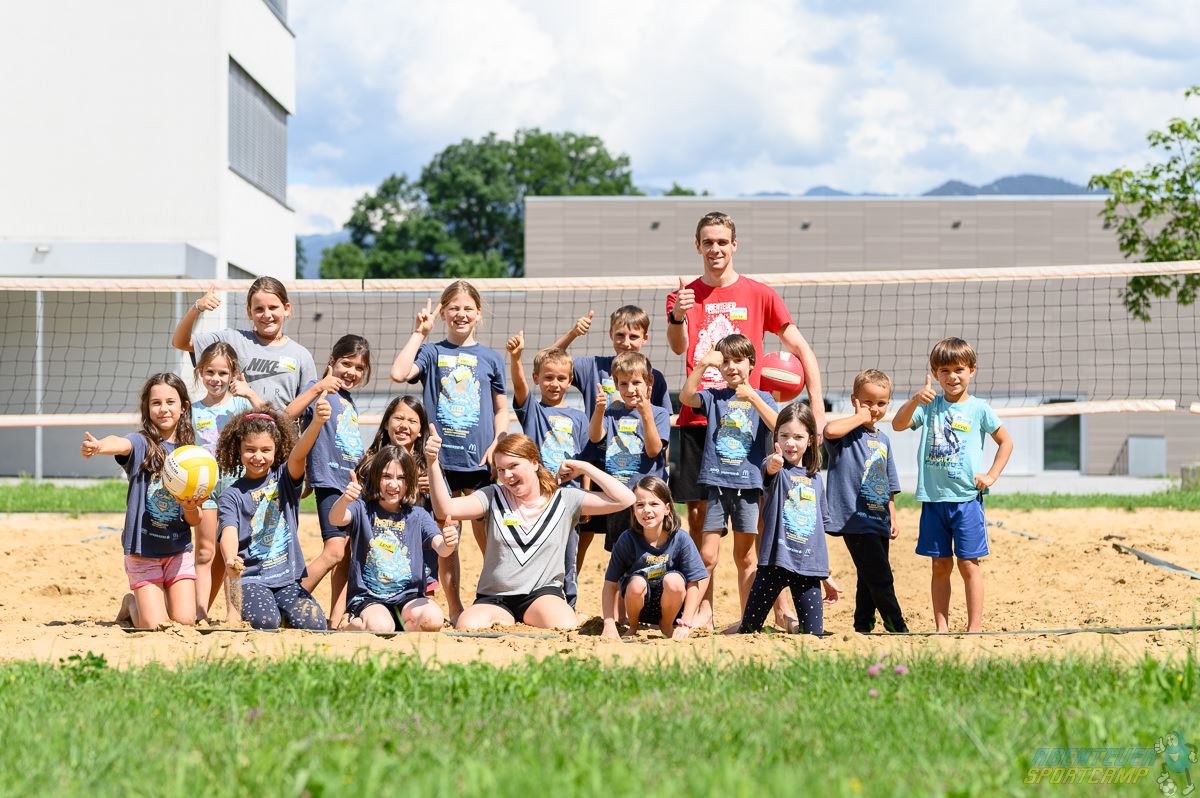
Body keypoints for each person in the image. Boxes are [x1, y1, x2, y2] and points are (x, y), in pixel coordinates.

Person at [665, 211, 826, 628]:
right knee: (701, 525)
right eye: (707, 242)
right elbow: (678, 346)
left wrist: (816, 409)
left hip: (748, 422)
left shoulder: (760, 294)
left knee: (762, 524)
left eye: (722, 241)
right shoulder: (683, 296)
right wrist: (678, 315)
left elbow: (803, 350)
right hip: (699, 419)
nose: (715, 249)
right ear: (697, 246)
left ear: (734, 245)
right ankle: (704, 610)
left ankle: (776, 610)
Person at [426, 432, 634, 631]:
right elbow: (445, 509)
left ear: (535, 463)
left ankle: (549, 616)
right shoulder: (492, 496)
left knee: (564, 624)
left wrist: (584, 467)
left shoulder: (565, 499)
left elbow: (625, 499)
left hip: (542, 595)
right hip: (495, 596)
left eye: (513, 466)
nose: (507, 476)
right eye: (501, 469)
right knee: (468, 624)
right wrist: (432, 461)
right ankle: (508, 618)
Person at [390, 280, 507, 622]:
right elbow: (398, 373)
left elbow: (502, 408)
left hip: (479, 460)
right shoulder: (432, 352)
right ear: (443, 313)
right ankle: (455, 606)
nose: (461, 314)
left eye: (468, 308)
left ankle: (494, 598)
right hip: (440, 462)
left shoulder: (490, 358)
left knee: (489, 535)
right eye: (453, 308)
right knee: (448, 536)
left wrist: (498, 440)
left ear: (478, 314)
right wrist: (420, 333)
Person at [892, 337, 1013, 633]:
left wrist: (991, 475)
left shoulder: (979, 409)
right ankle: (941, 628)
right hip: (934, 500)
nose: (952, 377)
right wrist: (914, 399)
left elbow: (1006, 442)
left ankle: (974, 628)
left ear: (972, 370)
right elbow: (897, 424)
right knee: (940, 565)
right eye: (944, 371)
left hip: (967, 500)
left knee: (969, 564)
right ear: (935, 374)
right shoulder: (928, 406)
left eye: (959, 369)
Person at [552, 305, 673, 575]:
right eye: (620, 335)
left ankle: (637, 590)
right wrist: (573, 333)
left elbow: (658, 441)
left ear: (645, 338)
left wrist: (661, 473)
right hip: (596, 466)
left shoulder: (653, 379)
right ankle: (568, 586)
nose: (626, 342)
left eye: (633, 336)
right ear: (610, 335)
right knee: (583, 533)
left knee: (635, 542)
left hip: (637, 475)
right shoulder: (593, 366)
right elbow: (550, 360)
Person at [80, 373, 203, 629]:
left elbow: (195, 519)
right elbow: (120, 443)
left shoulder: (192, 455)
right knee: (153, 626)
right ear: (147, 408)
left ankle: (157, 601)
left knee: (185, 622)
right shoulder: (142, 443)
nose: (163, 408)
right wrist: (100, 446)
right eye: (156, 403)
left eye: (170, 402)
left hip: (177, 549)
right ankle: (132, 604)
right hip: (143, 549)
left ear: (183, 406)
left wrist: (190, 507)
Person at [678, 333, 778, 620]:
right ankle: (693, 617)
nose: (732, 367)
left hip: (748, 488)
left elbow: (777, 425)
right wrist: (702, 365)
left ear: (752, 363)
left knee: (745, 557)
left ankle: (748, 620)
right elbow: (686, 397)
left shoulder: (764, 398)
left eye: (739, 360)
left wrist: (753, 398)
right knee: (707, 556)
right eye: (725, 362)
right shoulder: (714, 396)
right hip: (718, 486)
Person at [215, 404, 328, 631]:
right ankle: (273, 612)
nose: (258, 456)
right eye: (250, 449)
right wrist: (230, 558)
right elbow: (229, 531)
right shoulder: (231, 495)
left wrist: (316, 422)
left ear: (277, 448)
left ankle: (283, 612)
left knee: (315, 623)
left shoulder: (284, 478)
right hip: (252, 579)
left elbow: (299, 455)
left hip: (287, 580)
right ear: (238, 449)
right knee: (265, 622)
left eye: (266, 450)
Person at [285, 334, 371, 628]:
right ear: (332, 361)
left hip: (351, 484)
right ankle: (290, 601)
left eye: (359, 368)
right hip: (330, 482)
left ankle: (336, 619)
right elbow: (287, 415)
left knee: (346, 554)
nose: (352, 372)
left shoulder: (348, 401)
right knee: (334, 550)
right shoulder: (317, 389)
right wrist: (319, 387)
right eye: (346, 364)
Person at [738, 402, 841, 636]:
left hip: (808, 568)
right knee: (749, 631)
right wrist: (774, 463)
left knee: (813, 635)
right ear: (776, 437)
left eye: (798, 437)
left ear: (811, 440)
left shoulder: (816, 480)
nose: (790, 443)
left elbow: (817, 533)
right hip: (775, 563)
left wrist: (825, 574)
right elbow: (768, 469)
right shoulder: (776, 469)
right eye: (784, 435)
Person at [329, 446, 458, 632]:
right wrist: (344, 500)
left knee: (433, 620)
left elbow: (442, 549)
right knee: (380, 626)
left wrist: (448, 542)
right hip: (369, 597)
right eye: (386, 476)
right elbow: (335, 519)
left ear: (409, 482)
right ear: (376, 477)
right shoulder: (361, 508)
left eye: (401, 478)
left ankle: (394, 624)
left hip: (409, 596)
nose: (393, 484)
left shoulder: (418, 515)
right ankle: (352, 624)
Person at [823, 369, 908, 634]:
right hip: (854, 518)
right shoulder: (846, 434)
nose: (874, 408)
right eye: (867, 402)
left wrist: (892, 515)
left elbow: (889, 483)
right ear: (854, 400)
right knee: (881, 575)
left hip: (879, 517)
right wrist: (859, 417)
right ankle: (897, 627)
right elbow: (830, 430)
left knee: (867, 575)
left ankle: (863, 626)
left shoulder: (883, 440)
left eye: (881, 403)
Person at [507, 333, 588, 608]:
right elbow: (519, 386)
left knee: (568, 553)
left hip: (568, 498)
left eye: (561, 378)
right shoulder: (532, 411)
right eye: (548, 377)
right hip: (537, 496)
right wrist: (516, 358)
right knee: (533, 548)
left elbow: (584, 461)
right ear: (536, 378)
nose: (555, 383)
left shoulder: (579, 417)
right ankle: (529, 599)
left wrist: (586, 496)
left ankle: (568, 603)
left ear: (570, 380)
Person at [190, 342, 262, 622]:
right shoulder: (193, 410)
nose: (216, 379)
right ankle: (199, 614)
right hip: (205, 489)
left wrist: (250, 393)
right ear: (200, 372)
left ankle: (233, 613)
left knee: (234, 554)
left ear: (233, 374)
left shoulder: (242, 404)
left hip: (236, 488)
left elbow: (272, 421)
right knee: (205, 552)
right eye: (210, 372)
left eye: (223, 373)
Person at [172, 277, 318, 410]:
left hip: (283, 429)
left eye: (273, 307)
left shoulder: (301, 355)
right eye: (259, 309)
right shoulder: (233, 340)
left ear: (286, 309)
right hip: (239, 428)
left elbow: (309, 408)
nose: (267, 315)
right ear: (249, 312)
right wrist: (198, 307)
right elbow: (181, 342)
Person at [601, 477, 706, 640]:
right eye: (640, 505)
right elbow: (610, 583)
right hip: (638, 604)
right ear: (633, 510)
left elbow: (694, 584)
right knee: (636, 583)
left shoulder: (681, 539)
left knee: (674, 580)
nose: (646, 510)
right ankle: (633, 627)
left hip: (672, 606)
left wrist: (685, 623)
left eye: (654, 504)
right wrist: (608, 623)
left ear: (667, 508)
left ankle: (666, 625)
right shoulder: (627, 539)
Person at [588, 351, 672, 552]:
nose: (630, 389)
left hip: (647, 498)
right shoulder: (611, 412)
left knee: (650, 550)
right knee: (620, 552)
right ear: (616, 385)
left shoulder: (658, 413)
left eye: (636, 382)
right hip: (618, 495)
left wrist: (645, 415)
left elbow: (653, 450)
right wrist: (599, 410)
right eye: (624, 383)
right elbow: (595, 437)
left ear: (649, 382)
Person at [357, 396, 437, 593]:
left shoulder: (429, 466)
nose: (404, 425)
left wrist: (435, 487)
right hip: (379, 543)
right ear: (386, 423)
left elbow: (442, 510)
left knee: (424, 603)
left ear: (421, 430)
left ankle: (430, 592)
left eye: (412, 421)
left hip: (417, 546)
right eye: (399, 418)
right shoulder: (371, 463)